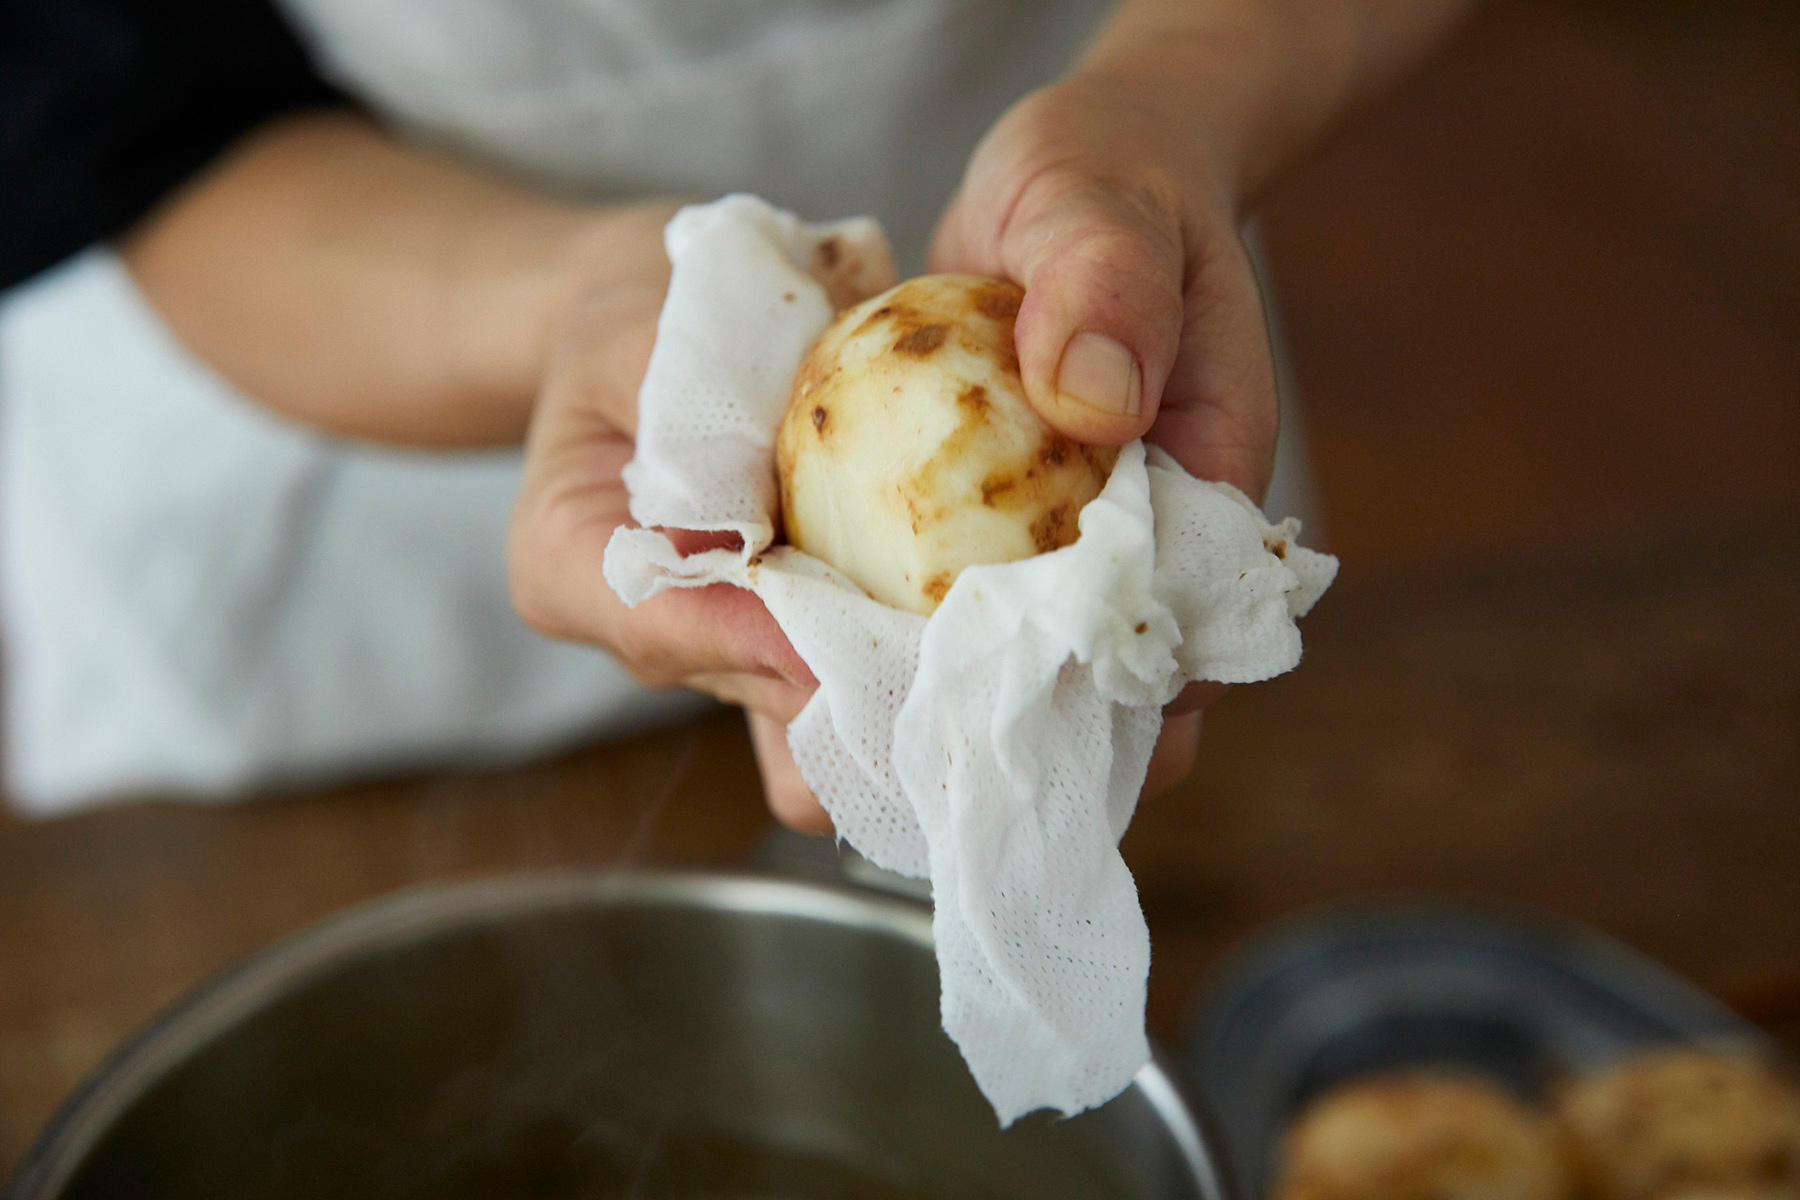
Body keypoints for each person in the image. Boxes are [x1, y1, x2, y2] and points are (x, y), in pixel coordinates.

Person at [0, 0, 1472, 824]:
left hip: (1104, 305)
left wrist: (1176, 101)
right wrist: (582, 303)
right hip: (345, 384)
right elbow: (104, 118)